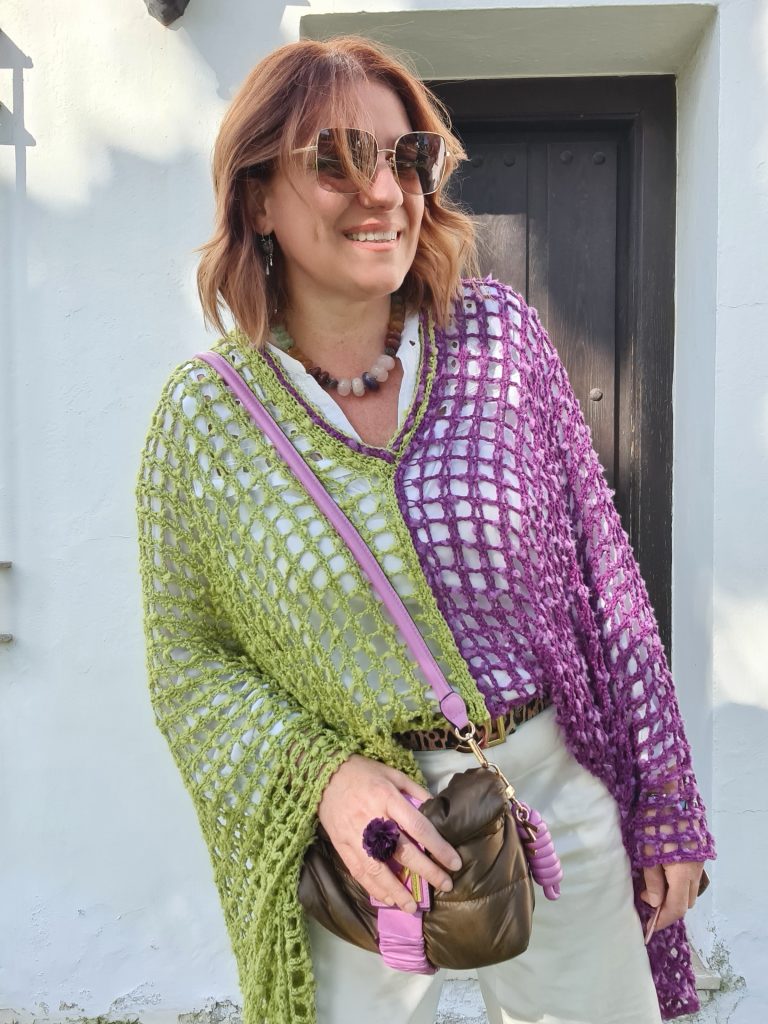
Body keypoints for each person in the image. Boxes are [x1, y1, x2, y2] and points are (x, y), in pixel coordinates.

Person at [136, 35, 715, 1024]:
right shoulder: (208, 421)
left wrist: (665, 798)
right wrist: (323, 777)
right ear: (258, 199)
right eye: (336, 159)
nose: (383, 190)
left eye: (407, 157)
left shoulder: (498, 342)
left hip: (550, 792)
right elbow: (189, 662)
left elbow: (604, 576)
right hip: (369, 840)